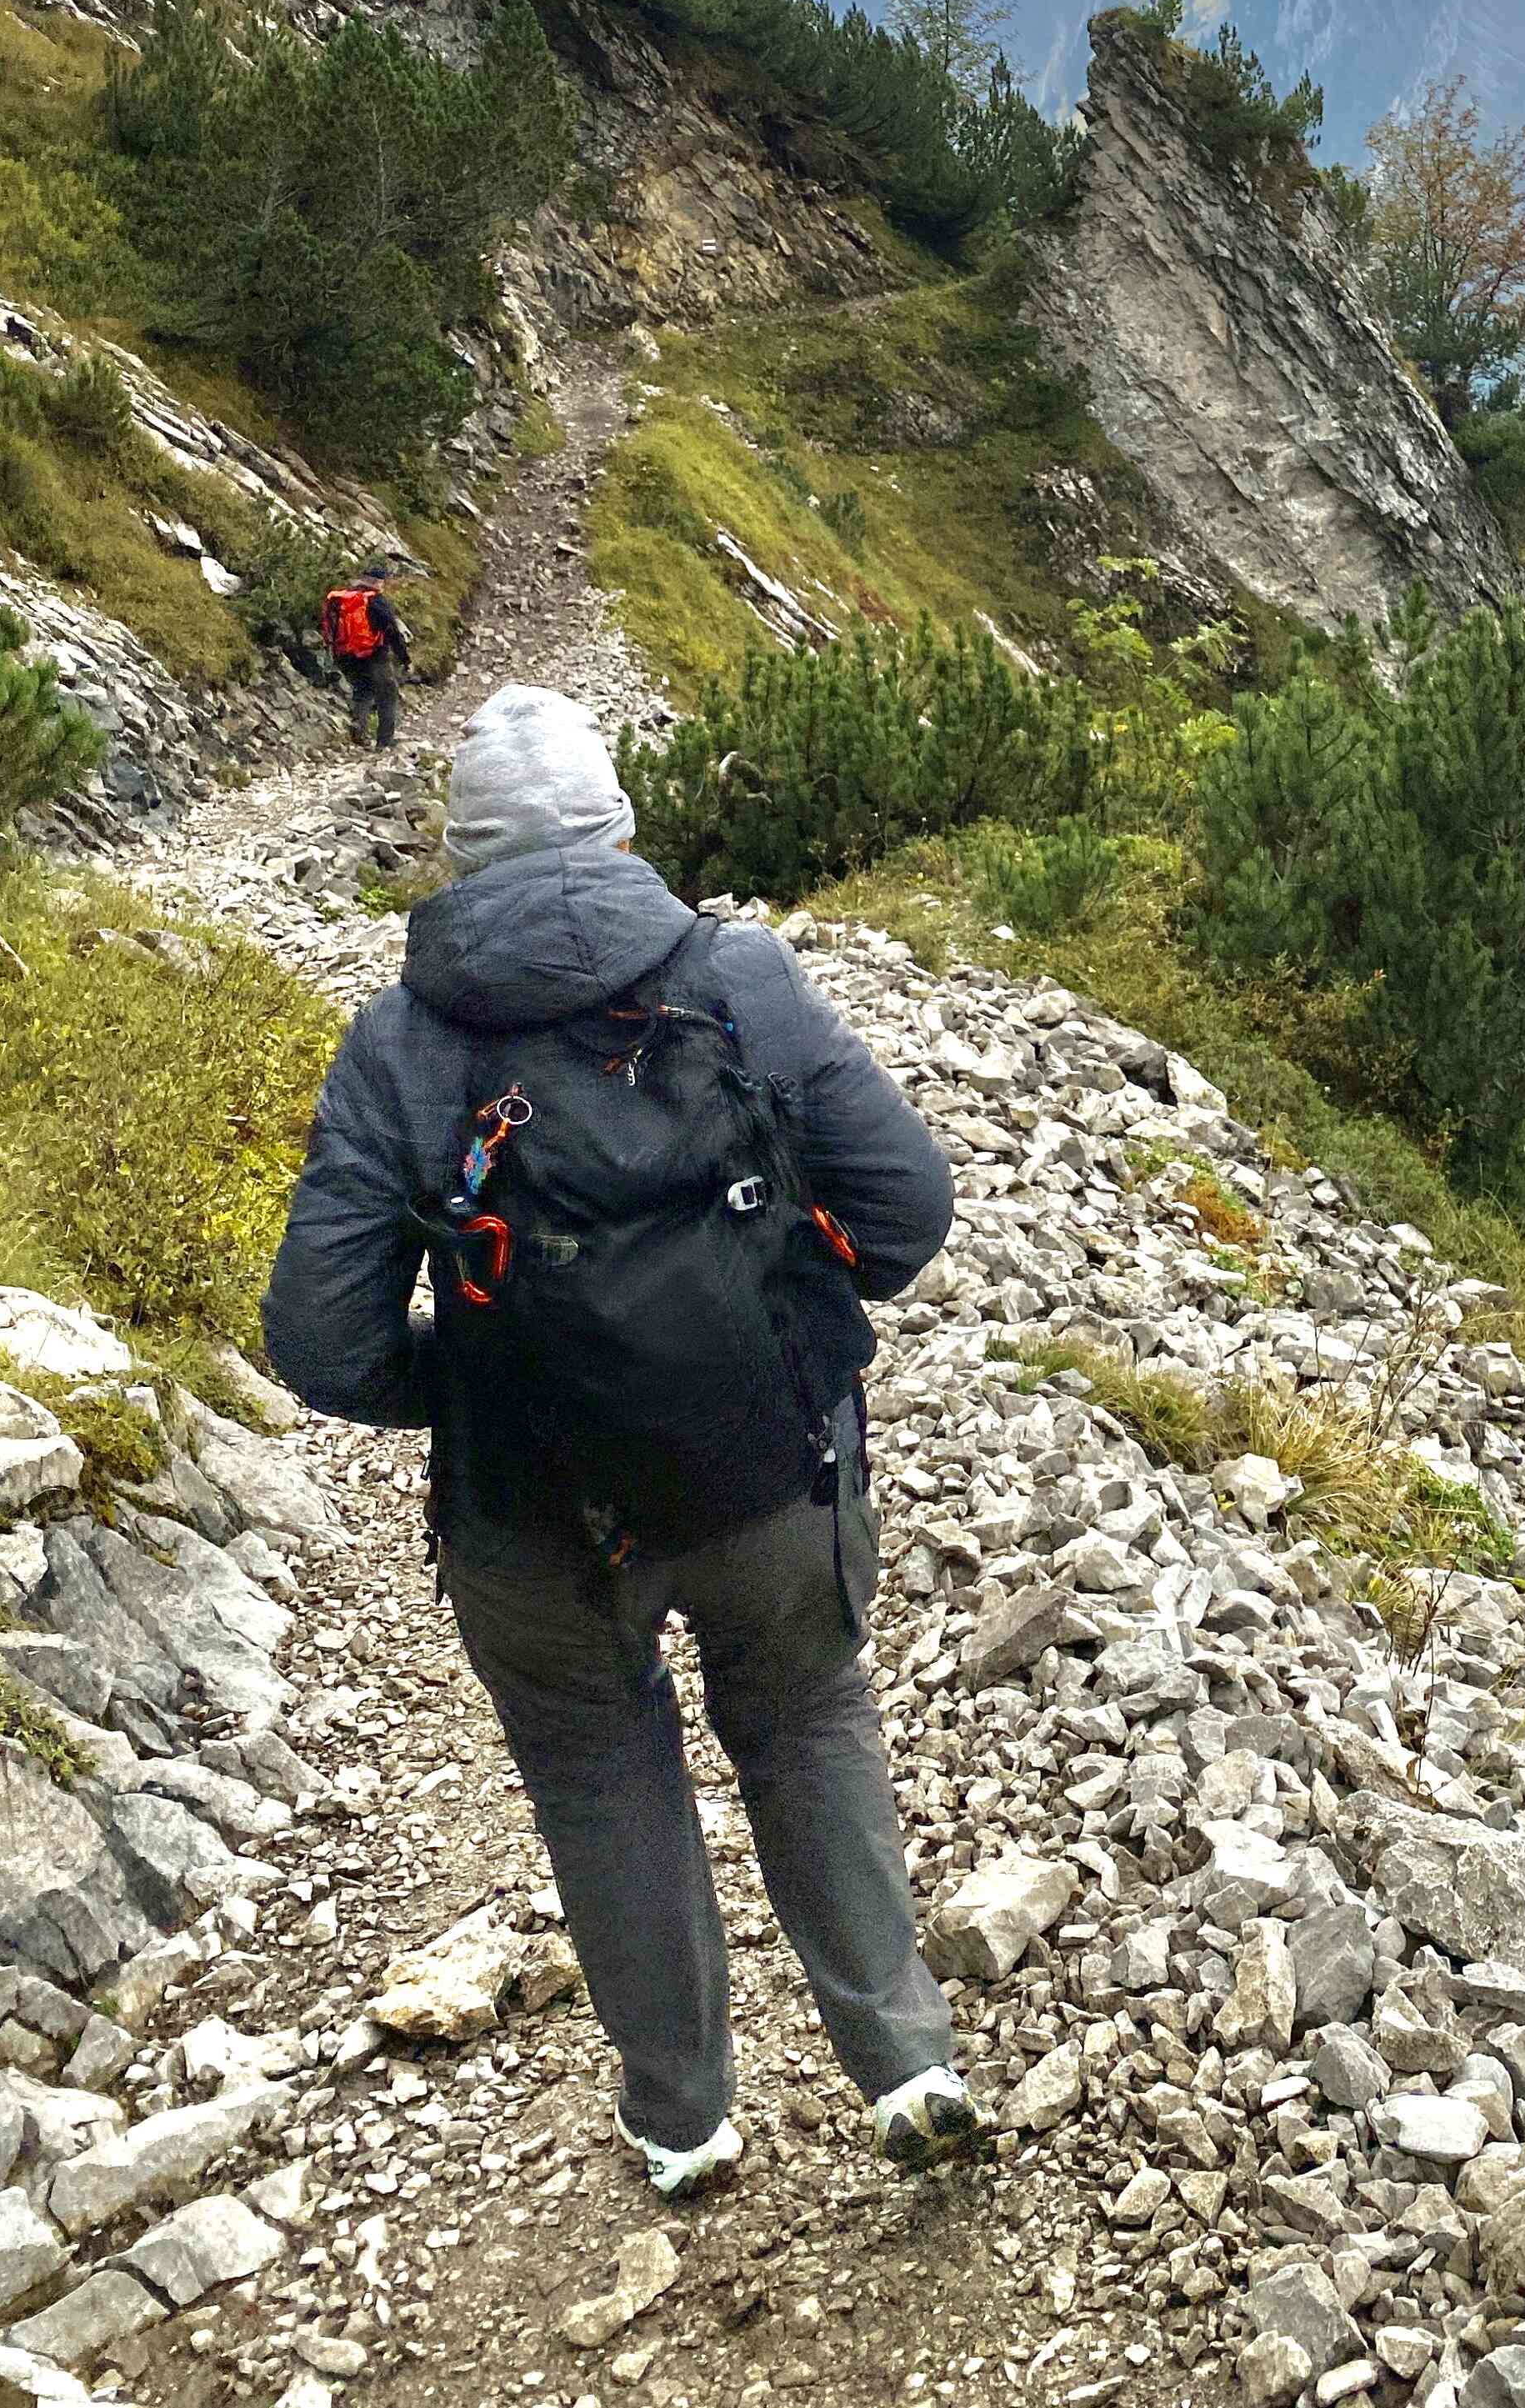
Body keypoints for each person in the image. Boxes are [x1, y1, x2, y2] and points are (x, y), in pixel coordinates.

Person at [262, 684, 972, 2194]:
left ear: (459, 855)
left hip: (533, 1519)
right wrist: (770, 1314)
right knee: (806, 1718)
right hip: (767, 1469)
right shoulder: (739, 975)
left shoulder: (398, 1042)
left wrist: (476, 1383)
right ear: (620, 824)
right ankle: (906, 2062)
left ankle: (682, 2121)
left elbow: (321, 1340)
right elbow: (908, 1212)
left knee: (599, 1775)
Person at [320, 565, 414, 748]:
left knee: (363, 689)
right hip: (374, 654)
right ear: (378, 582)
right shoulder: (376, 601)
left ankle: (359, 727)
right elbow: (392, 631)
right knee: (387, 694)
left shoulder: (342, 599)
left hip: (345, 654)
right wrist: (404, 658)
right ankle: (384, 742)